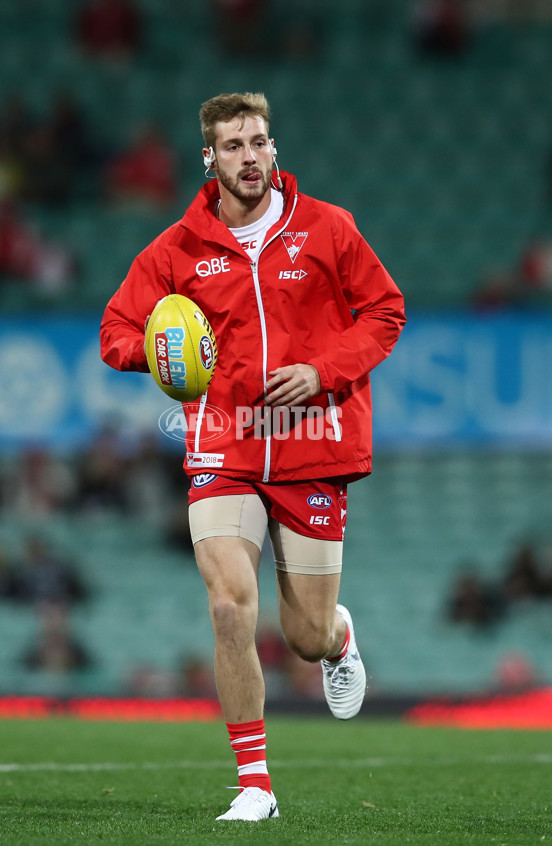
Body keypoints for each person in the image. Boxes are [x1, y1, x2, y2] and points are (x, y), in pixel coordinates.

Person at [100, 92, 406, 822]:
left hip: (313, 445)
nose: (249, 157)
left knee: (302, 636)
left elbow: (385, 311)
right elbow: (116, 329)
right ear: (209, 157)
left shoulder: (329, 228)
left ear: (274, 149)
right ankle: (255, 785)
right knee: (230, 607)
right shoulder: (177, 248)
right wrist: (162, 355)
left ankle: (337, 638)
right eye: (233, 145)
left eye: (259, 142)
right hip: (223, 442)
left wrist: (324, 370)